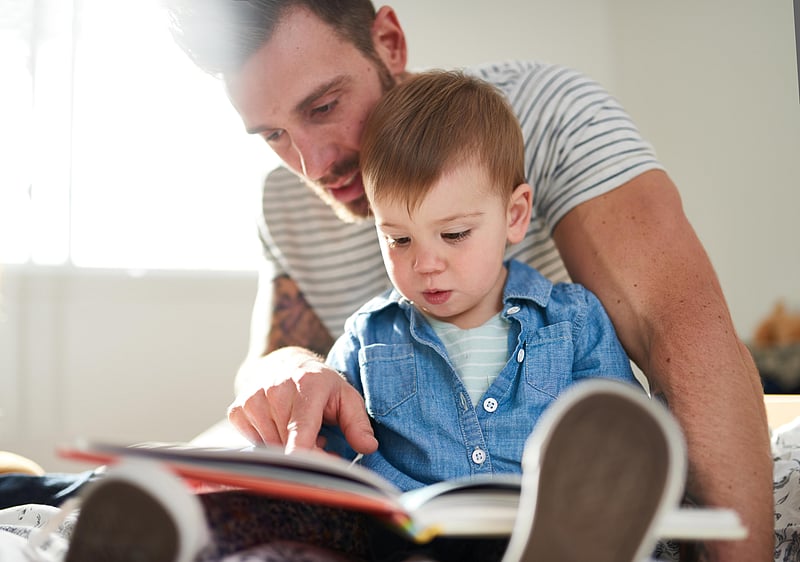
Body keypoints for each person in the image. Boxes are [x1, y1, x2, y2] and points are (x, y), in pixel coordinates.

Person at [163, 1, 772, 561]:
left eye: (323, 107)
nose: (311, 165)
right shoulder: (283, 205)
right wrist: (291, 374)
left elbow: (684, 332)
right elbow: (266, 362)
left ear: (389, 41)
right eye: (271, 135)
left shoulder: (548, 114)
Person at [320, 69, 641, 490]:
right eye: (398, 239)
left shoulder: (572, 321)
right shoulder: (368, 338)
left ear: (514, 215)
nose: (426, 264)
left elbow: (630, 442)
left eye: (454, 235)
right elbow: (320, 460)